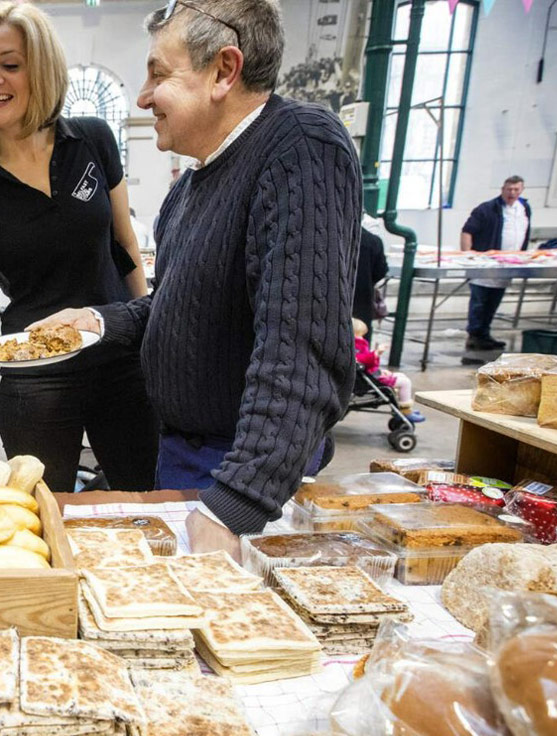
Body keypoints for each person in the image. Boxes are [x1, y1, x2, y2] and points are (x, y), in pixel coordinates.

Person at [35, 0, 361, 555]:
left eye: (159, 74)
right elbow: (180, 309)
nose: (142, 96)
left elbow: (300, 348)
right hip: (187, 455)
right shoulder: (190, 188)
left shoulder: (300, 147)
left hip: (248, 468)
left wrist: (237, 501)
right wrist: (97, 322)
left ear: (224, 71)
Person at [0, 2, 157, 493]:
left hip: (118, 354)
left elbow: (125, 246)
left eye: (10, 64)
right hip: (36, 374)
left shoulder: (93, 139)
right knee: (44, 511)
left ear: (42, 69)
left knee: (141, 497)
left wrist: (147, 330)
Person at [461, 176, 531, 354]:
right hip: (485, 265)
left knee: (493, 301)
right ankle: (475, 335)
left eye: (516, 190)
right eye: (509, 189)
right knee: (479, 302)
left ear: (521, 190)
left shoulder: (524, 209)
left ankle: (484, 333)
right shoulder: (487, 209)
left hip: (507, 264)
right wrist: (468, 256)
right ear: (502, 189)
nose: (512, 193)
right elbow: (467, 231)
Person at [354, 319, 421, 422]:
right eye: (359, 335)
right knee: (405, 382)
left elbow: (365, 363)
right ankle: (405, 410)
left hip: (370, 374)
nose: (361, 338)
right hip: (370, 379)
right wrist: (376, 353)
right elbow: (363, 359)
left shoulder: (355, 345)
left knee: (401, 376)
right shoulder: (356, 346)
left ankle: (402, 406)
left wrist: (379, 369)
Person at [353, 227, 388, 342]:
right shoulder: (373, 241)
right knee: (359, 343)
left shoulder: (329, 237)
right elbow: (380, 271)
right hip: (362, 301)